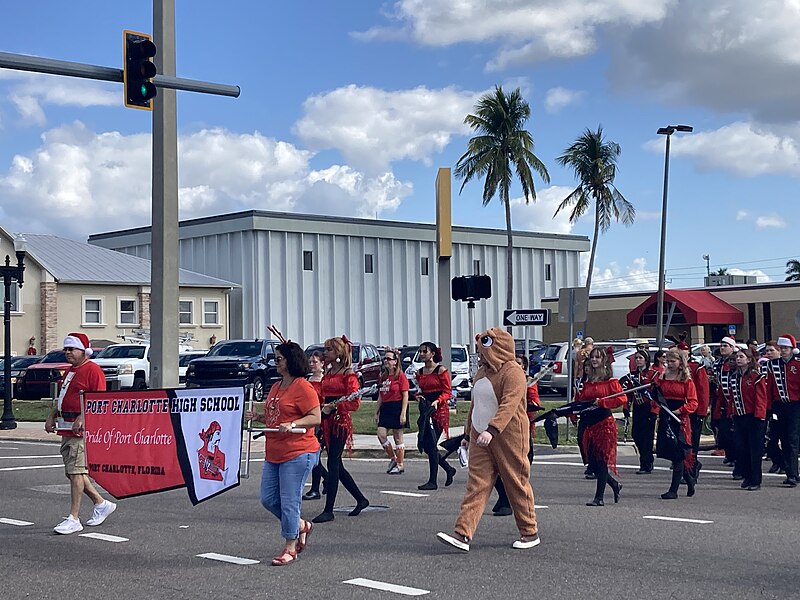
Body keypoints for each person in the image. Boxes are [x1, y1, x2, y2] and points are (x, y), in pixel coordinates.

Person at [436, 328, 539, 552]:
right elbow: (476, 405)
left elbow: (509, 405)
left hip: (508, 436)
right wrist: (467, 434)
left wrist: (492, 430)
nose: (480, 355)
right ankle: (462, 533)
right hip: (480, 436)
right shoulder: (481, 373)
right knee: (477, 485)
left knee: (515, 482)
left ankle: (529, 531)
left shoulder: (513, 372)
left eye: (483, 350)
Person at [246, 341, 321, 566]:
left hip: (298, 451)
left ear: (290, 361)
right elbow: (277, 414)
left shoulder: (303, 387)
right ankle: (299, 525)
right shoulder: (278, 386)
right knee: (268, 499)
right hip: (274, 451)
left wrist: (294, 423)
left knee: (289, 501)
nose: (275, 362)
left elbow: (315, 417)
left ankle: (290, 545)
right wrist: (259, 417)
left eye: (279, 358)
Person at [44, 332, 116, 534]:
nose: (68, 353)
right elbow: (64, 397)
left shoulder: (92, 370)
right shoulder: (70, 371)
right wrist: (52, 415)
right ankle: (101, 503)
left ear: (84, 351)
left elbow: (98, 400)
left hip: (81, 430)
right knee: (72, 471)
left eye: (72, 349)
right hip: (66, 426)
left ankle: (74, 518)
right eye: (66, 349)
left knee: (76, 472)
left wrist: (83, 417)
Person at [312, 336, 370, 522]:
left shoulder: (348, 374)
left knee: (333, 462)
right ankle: (361, 499)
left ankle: (329, 509)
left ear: (338, 352)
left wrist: (334, 406)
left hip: (339, 422)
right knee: (336, 464)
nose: (325, 352)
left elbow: (354, 401)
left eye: (329, 349)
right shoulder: (328, 372)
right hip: (325, 420)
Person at [491, 354, 540, 516]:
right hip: (499, 427)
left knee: (516, 470)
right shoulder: (502, 378)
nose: (514, 366)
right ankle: (504, 498)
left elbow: (534, 403)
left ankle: (511, 503)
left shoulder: (528, 383)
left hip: (519, 430)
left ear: (524, 366)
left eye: (518, 363)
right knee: (495, 467)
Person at [575, 348, 625, 506]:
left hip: (604, 424)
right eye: (592, 357)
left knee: (602, 461)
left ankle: (599, 498)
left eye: (598, 357)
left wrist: (602, 402)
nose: (595, 360)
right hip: (589, 425)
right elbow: (582, 400)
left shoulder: (611, 381)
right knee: (593, 463)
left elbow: (621, 399)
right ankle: (614, 485)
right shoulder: (588, 381)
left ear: (603, 360)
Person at [655, 349, 698, 500]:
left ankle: (673, 490)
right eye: (668, 361)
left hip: (680, 419)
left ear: (681, 363)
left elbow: (693, 403)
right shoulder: (663, 377)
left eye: (673, 361)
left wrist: (680, 411)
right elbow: (656, 395)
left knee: (679, 453)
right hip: (666, 416)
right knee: (672, 452)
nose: (670, 364)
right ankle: (689, 479)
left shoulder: (687, 380)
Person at [415, 341, 456, 490]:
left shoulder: (440, 370)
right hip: (426, 410)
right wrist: (418, 396)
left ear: (432, 354)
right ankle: (448, 469)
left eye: (424, 352)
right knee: (427, 446)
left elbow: (447, 392)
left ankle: (433, 481)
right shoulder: (419, 372)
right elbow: (420, 389)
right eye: (420, 352)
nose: (421, 354)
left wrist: (438, 401)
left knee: (431, 444)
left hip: (439, 411)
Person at [765, 334, 800, 487]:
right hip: (779, 406)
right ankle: (791, 471)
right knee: (783, 439)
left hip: (795, 405)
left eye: (786, 348)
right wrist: (769, 407)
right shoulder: (773, 365)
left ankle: (792, 474)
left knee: (792, 440)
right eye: (782, 348)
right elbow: (770, 387)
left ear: (792, 349)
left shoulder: (798, 364)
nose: (784, 350)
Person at [730, 348, 767, 491]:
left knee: (755, 450)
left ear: (749, 359)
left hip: (754, 418)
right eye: (737, 357)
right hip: (739, 417)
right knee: (741, 448)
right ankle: (746, 476)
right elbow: (733, 398)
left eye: (741, 357)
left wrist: (760, 416)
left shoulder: (756, 376)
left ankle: (755, 479)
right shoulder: (735, 376)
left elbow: (761, 398)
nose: (738, 359)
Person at [621, 350, 659, 474]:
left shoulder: (653, 375)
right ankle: (646, 458)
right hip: (637, 408)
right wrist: (626, 407)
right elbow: (629, 394)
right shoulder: (632, 375)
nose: (638, 360)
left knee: (647, 437)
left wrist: (654, 411)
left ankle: (646, 464)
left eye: (640, 358)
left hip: (648, 408)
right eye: (636, 358)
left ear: (646, 360)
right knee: (636, 435)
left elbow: (657, 395)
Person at [375, 348, 409, 475]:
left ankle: (400, 464)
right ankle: (393, 458)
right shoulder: (383, 376)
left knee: (398, 437)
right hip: (386, 407)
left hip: (397, 406)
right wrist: (376, 411)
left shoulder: (400, 376)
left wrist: (403, 413)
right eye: (385, 358)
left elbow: (405, 395)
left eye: (389, 359)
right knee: (381, 434)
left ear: (395, 361)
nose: (386, 361)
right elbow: (380, 395)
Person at [712, 337, 742, 477]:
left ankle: (736, 458)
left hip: (735, 400)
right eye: (721, 345)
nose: (722, 348)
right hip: (722, 400)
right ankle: (730, 454)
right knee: (723, 430)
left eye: (725, 345)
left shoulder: (735, 361)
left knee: (734, 432)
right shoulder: (717, 363)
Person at [302, 351, 327, 500]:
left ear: (322, 363)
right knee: (312, 455)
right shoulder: (307, 379)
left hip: (320, 420)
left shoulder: (325, 381)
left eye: (315, 362)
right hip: (307, 418)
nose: (311, 364)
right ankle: (327, 478)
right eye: (310, 362)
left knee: (315, 455)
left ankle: (315, 488)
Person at [761, 341, 784, 474]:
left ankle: (784, 463)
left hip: (780, 404)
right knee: (770, 438)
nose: (768, 353)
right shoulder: (764, 366)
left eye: (771, 351)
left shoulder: (783, 366)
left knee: (782, 436)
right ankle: (777, 460)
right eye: (767, 351)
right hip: (767, 405)